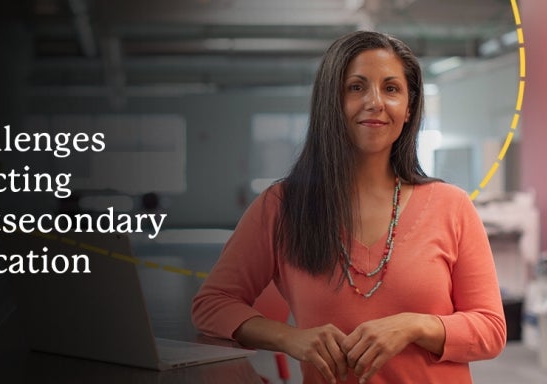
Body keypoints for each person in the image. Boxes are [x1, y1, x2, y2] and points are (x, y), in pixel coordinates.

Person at [191, 31, 506, 384]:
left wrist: (416, 324)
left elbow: (491, 329)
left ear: (409, 108)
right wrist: (290, 337)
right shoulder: (281, 207)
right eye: (356, 87)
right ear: (331, 103)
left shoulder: (452, 206)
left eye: (391, 89)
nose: (375, 102)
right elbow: (211, 304)